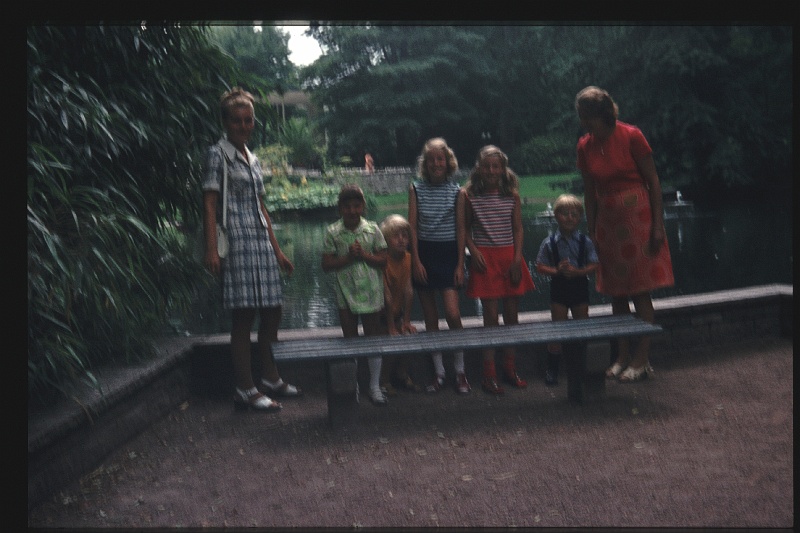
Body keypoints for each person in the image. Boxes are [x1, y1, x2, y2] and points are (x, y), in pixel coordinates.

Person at [202, 87, 301, 412]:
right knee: (243, 316)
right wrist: (212, 249)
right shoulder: (218, 154)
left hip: (259, 241)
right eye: (237, 121)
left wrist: (278, 250)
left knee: (273, 309)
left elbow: (261, 206)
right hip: (237, 240)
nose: (244, 126)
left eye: (248, 120)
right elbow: (210, 202)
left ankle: (270, 377)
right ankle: (245, 387)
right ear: (226, 122)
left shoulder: (253, 158)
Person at [575, 85, 674, 382]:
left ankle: (641, 359)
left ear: (601, 113)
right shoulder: (585, 146)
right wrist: (591, 231)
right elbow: (589, 191)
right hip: (608, 224)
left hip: (639, 220)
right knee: (616, 292)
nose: (583, 122)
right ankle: (621, 356)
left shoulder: (632, 135)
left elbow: (653, 181)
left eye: (586, 116)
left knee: (640, 289)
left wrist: (658, 225)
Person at [463, 145, 536, 395]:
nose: (491, 171)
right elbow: (464, 230)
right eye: (487, 166)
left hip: (509, 258)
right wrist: (473, 250)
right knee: (490, 319)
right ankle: (488, 374)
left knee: (512, 317)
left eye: (496, 166)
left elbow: (518, 229)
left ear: (503, 169)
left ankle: (509, 368)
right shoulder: (469, 195)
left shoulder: (511, 195)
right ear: (479, 169)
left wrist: (517, 259)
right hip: (486, 259)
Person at [408, 138, 470, 395]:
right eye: (431, 159)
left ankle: (460, 371)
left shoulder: (458, 192)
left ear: (448, 162)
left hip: (448, 254)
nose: (436, 163)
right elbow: (412, 226)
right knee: (430, 318)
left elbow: (460, 229)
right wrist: (416, 260)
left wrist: (459, 264)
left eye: (440, 159)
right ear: (425, 163)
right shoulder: (416, 189)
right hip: (424, 253)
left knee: (453, 314)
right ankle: (439, 373)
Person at [321, 185, 389, 405]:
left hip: (371, 290)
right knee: (350, 340)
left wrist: (364, 255)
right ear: (340, 208)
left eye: (356, 206)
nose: (352, 211)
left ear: (363, 207)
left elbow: (383, 260)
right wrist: (349, 258)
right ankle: (354, 386)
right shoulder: (333, 232)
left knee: (373, 337)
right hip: (345, 292)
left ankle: (375, 385)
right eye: (347, 206)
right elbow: (326, 264)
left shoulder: (372, 229)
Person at [535, 194, 599, 386]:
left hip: (579, 287)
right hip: (559, 288)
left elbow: (594, 264)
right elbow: (539, 266)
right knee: (558, 328)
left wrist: (579, 271)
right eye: (565, 214)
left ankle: (584, 366)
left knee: (582, 326)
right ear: (556, 216)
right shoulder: (549, 242)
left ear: (580, 218)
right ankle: (552, 369)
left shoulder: (585, 242)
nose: (569, 218)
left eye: (574, 214)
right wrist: (556, 270)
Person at [378, 214, 420, 396]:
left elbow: (409, 290)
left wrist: (406, 320)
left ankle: (402, 374)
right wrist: (390, 326)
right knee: (389, 346)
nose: (402, 240)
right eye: (397, 236)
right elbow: (385, 295)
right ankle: (384, 380)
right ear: (386, 240)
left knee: (408, 339)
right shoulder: (383, 261)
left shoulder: (408, 258)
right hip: (382, 316)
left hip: (398, 313)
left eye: (405, 235)